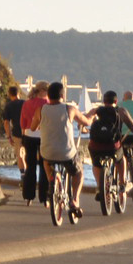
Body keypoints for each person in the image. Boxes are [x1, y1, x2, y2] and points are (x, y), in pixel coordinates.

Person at [38, 81, 94, 220]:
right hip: (66, 153)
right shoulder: (70, 109)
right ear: (63, 95)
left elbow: (33, 126)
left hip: (47, 152)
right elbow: (86, 122)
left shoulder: (41, 110)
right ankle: (74, 199)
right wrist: (92, 116)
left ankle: (51, 179)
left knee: (46, 161)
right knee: (79, 173)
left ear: (48, 96)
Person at [85, 90, 132, 204]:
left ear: (103, 101)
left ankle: (100, 187)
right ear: (116, 101)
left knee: (96, 163)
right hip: (113, 146)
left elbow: (85, 120)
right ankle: (122, 183)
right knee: (121, 159)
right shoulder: (120, 110)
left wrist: (83, 127)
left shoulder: (96, 110)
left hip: (96, 146)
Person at [18, 83, 50, 206]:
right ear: (44, 91)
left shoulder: (27, 103)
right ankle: (44, 197)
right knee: (44, 167)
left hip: (28, 135)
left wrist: (22, 138)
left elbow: (22, 122)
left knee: (30, 167)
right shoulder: (47, 104)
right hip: (44, 136)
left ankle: (28, 196)